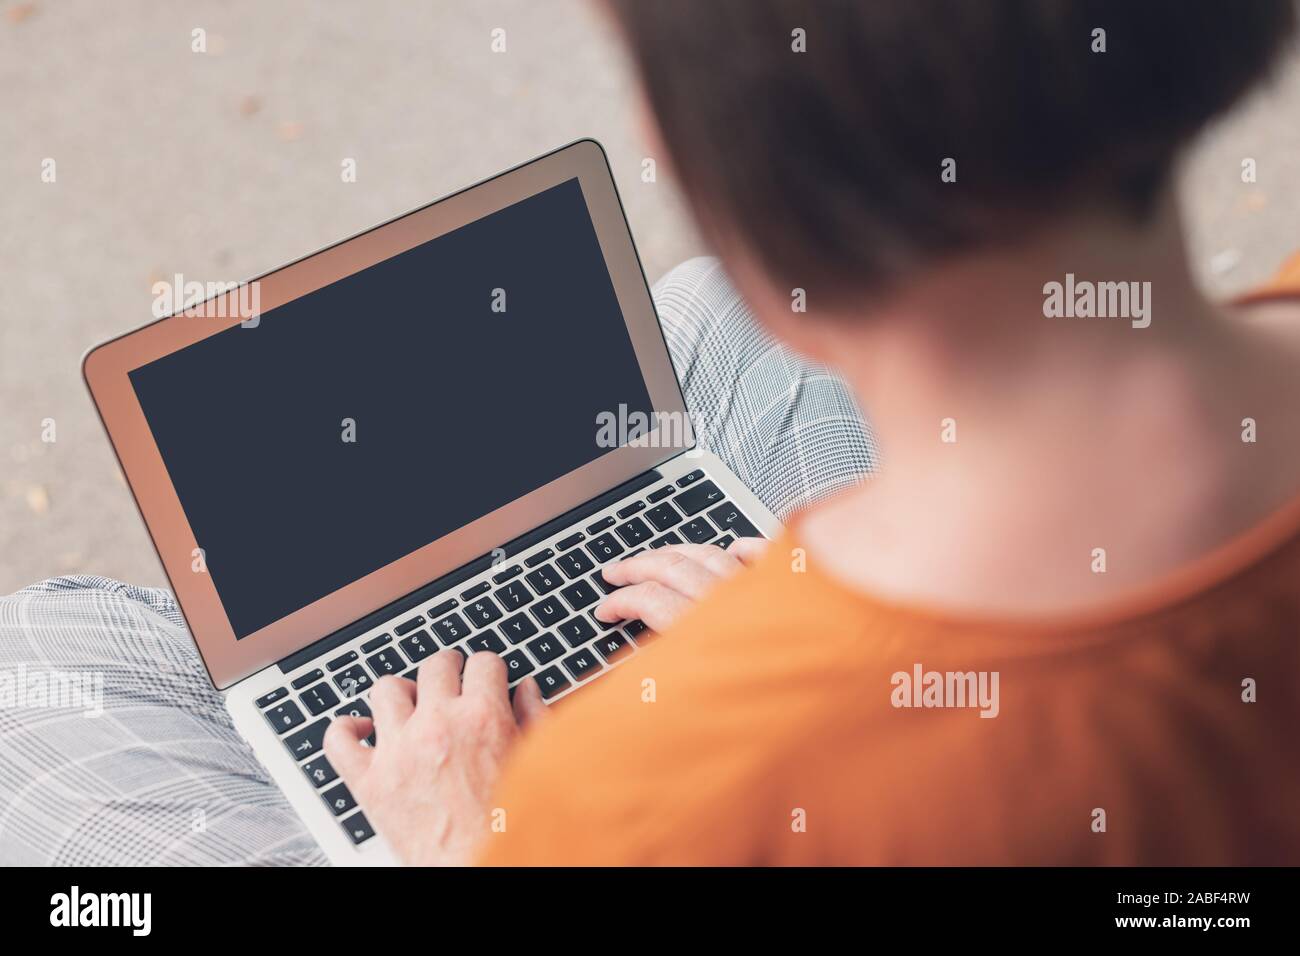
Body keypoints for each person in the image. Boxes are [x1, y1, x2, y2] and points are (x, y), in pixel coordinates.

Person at [1, 0, 1296, 867]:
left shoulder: (639, 803)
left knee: (37, 664)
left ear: (702, 160)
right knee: (689, 341)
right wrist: (786, 618)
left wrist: (477, 839)